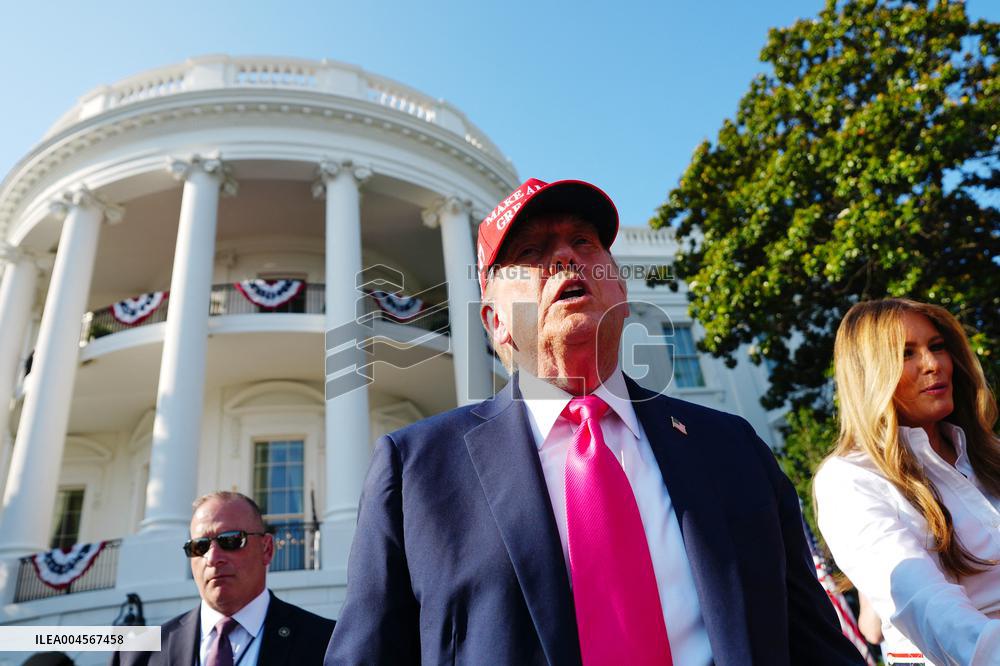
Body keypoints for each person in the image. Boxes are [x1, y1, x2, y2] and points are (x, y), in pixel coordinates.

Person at [326, 178, 863, 665]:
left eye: (584, 242)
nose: (565, 257)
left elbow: (813, 643)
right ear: (495, 323)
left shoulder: (732, 448)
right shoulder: (418, 469)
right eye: (531, 253)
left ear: (621, 290)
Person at [814, 298, 1000, 664]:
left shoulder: (990, 454)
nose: (932, 365)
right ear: (869, 375)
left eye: (936, 347)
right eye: (905, 354)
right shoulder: (850, 480)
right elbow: (924, 604)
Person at [112, 491, 334, 665]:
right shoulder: (136, 655)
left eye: (231, 540)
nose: (212, 558)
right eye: (200, 546)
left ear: (266, 549)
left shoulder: (327, 644)